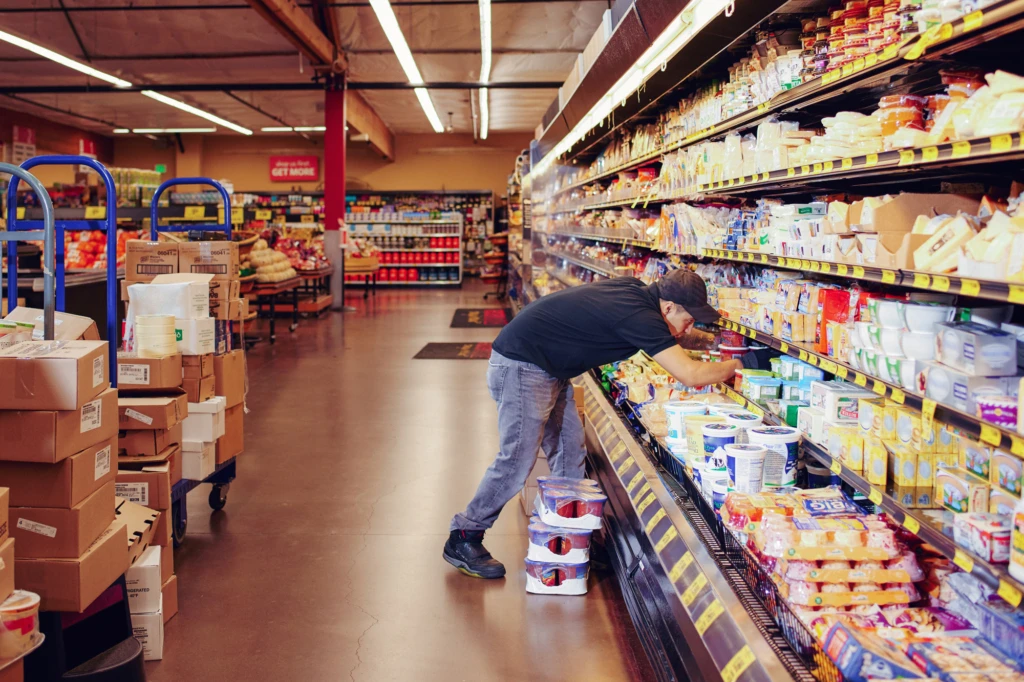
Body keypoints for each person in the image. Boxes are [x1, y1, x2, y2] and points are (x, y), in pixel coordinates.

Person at [443, 268, 771, 578]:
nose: (688, 328)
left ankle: (573, 538)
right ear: (668, 307)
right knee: (517, 459)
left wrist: (716, 343)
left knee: (570, 451)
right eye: (688, 319)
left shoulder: (639, 295)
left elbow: (675, 337)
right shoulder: (641, 316)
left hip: (548, 366)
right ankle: (465, 535)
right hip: (522, 366)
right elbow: (690, 374)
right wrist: (740, 362)